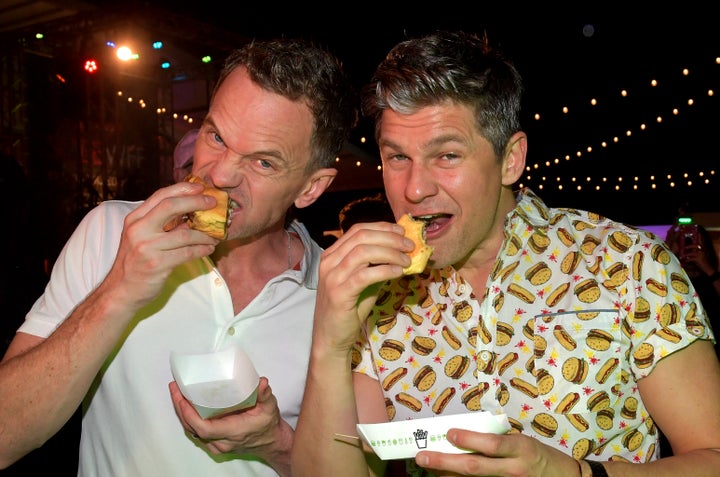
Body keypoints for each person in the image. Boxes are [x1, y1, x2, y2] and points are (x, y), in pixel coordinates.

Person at [292, 30, 720, 477]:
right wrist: (328, 342)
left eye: (447, 155)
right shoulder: (379, 292)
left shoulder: (625, 262)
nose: (414, 189)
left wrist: (576, 474)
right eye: (397, 158)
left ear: (511, 159)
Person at [0, 37, 357, 476]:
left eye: (263, 162)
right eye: (216, 136)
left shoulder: (344, 295)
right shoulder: (111, 231)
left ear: (310, 188)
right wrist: (118, 290)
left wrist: (280, 447)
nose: (221, 173)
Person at [665, 220, 720, 355]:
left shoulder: (712, 277)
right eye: (683, 241)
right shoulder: (670, 276)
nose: (689, 245)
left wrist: (707, 268)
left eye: (693, 240)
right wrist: (668, 254)